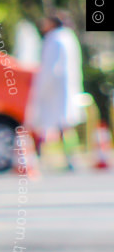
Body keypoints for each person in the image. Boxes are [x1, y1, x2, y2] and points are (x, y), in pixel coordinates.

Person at [26, 11, 84, 169]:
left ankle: (40, 157)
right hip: (64, 88)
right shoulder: (68, 37)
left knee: (50, 124)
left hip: (55, 89)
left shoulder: (55, 40)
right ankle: (70, 158)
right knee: (64, 124)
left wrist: (42, 89)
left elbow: (51, 69)